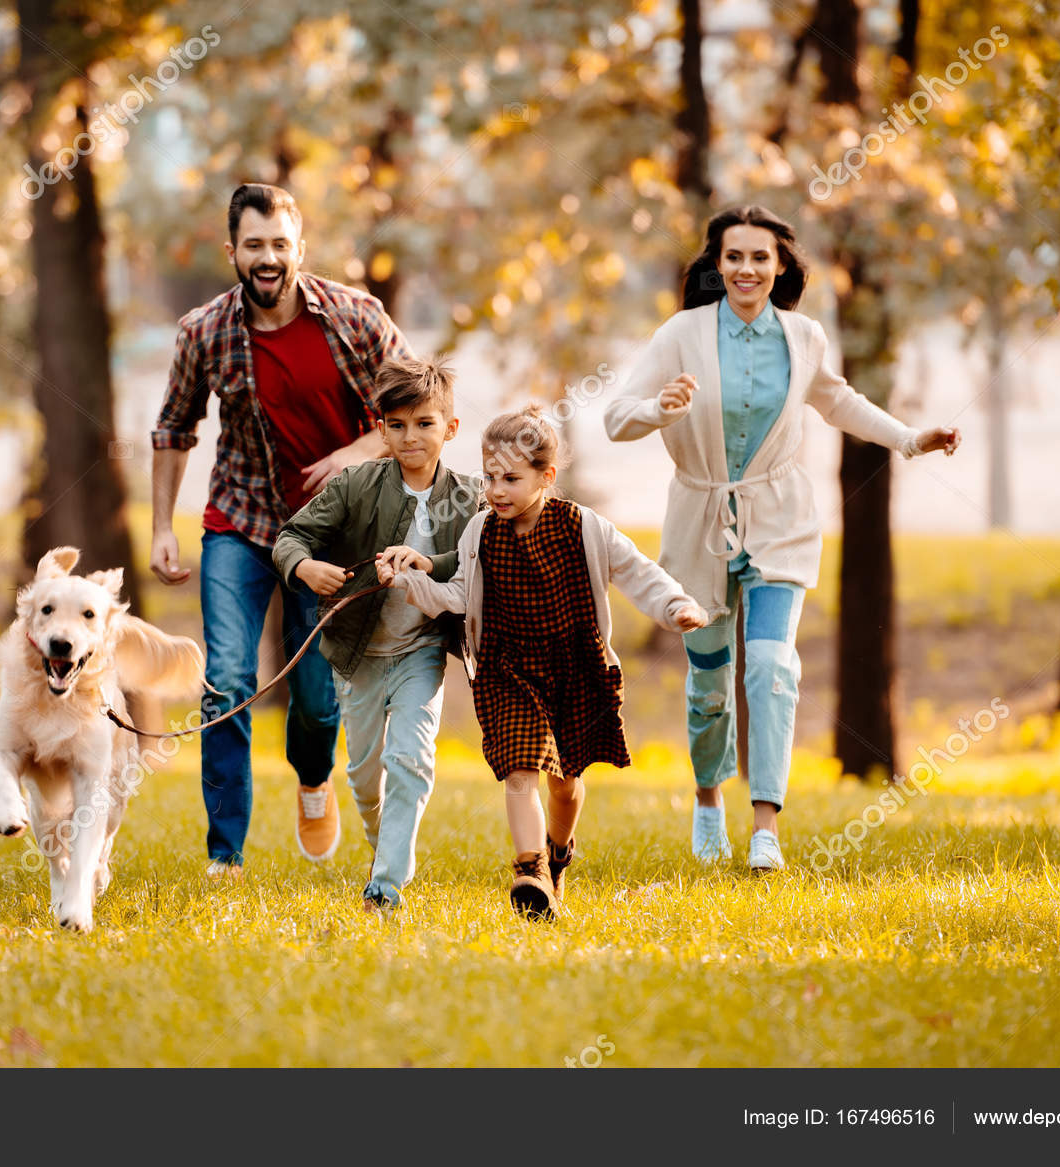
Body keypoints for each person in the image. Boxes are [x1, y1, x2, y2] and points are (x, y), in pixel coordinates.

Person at [604, 204, 962, 872]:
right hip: (700, 522)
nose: (746, 268)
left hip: (780, 521)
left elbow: (840, 402)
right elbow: (615, 418)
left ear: (780, 266)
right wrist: (659, 409)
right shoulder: (680, 334)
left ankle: (765, 823)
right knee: (711, 682)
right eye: (733, 257)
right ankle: (709, 798)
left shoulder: (803, 338)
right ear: (716, 265)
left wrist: (911, 439)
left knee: (771, 666)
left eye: (759, 257)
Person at [150, 183, 413, 877]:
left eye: (279, 245)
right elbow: (175, 429)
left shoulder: (358, 319)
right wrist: (160, 528)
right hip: (239, 524)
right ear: (232, 250)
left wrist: (354, 454)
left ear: (300, 248)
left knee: (319, 700)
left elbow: (423, 406)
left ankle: (312, 779)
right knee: (228, 680)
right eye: (254, 245)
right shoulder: (203, 332)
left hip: (333, 538)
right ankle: (225, 854)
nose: (267, 259)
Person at [380, 407, 708, 919]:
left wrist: (676, 606)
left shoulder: (585, 527)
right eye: (490, 478)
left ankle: (557, 856)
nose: (497, 490)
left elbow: (638, 571)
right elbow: (457, 595)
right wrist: (408, 582)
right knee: (520, 769)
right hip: (507, 669)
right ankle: (529, 870)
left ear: (545, 476)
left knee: (566, 783)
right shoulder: (480, 532)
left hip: (576, 667)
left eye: (511, 479)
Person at [272, 356, 482, 909]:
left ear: (450, 428)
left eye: (425, 423)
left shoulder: (473, 498)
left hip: (422, 652)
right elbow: (290, 536)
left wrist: (426, 563)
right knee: (366, 779)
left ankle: (385, 885)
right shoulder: (356, 485)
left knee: (409, 759)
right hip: (358, 655)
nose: (411, 437)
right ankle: (381, 845)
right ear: (381, 427)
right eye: (397, 425)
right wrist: (304, 567)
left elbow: (474, 560)